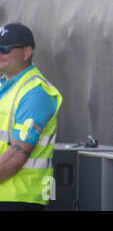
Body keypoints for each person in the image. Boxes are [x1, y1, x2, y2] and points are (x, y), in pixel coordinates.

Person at [0, 22, 63, 211]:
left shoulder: (36, 92)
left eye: (4, 49)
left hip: (20, 198)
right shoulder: (6, 86)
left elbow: (17, 156)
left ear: (26, 52)